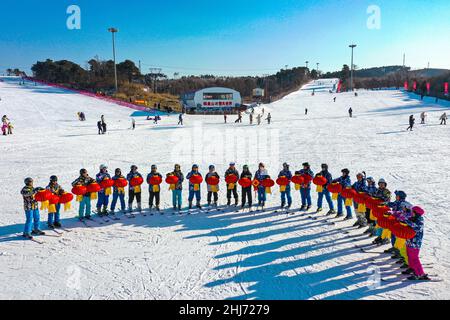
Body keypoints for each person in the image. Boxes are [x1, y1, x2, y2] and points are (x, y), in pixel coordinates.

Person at [400, 206, 430, 281]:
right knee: (409, 256)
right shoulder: (414, 218)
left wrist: (406, 221)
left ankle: (420, 274)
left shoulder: (420, 221)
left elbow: (416, 227)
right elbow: (407, 218)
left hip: (415, 242)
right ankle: (412, 268)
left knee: (414, 258)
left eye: (412, 212)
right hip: (410, 241)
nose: (411, 213)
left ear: (416, 213)